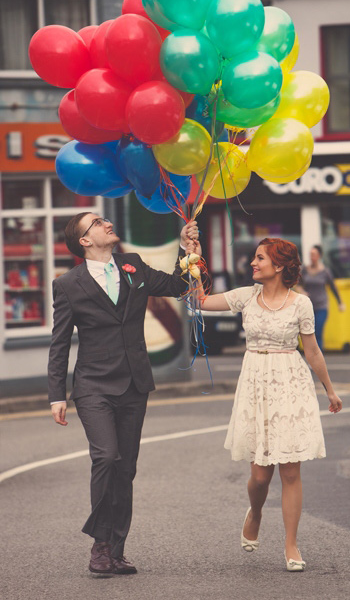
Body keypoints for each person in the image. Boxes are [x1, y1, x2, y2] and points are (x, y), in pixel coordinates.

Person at [48, 213, 199, 575]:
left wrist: (187, 250)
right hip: (93, 386)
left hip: (134, 383)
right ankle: (100, 547)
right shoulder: (68, 284)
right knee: (107, 457)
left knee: (125, 468)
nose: (106, 223)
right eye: (97, 222)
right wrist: (57, 393)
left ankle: (116, 548)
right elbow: (59, 342)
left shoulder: (134, 266)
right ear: (84, 240)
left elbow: (180, 286)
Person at [195, 237, 342, 572]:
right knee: (260, 476)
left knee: (290, 469)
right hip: (255, 383)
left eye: (259, 258)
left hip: (291, 382)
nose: (252, 263)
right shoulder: (246, 296)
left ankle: (291, 543)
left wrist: (330, 391)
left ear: (279, 266)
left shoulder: (301, 304)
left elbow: (313, 351)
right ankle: (257, 512)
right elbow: (200, 300)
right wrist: (194, 261)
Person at [301, 245, 345, 351]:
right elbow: (298, 284)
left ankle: (318, 357)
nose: (312, 257)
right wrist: (302, 291)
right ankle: (310, 357)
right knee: (308, 333)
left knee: (318, 331)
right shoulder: (305, 270)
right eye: (310, 254)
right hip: (308, 307)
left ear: (319, 256)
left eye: (314, 254)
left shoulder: (325, 271)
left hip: (321, 306)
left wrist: (340, 302)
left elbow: (333, 287)